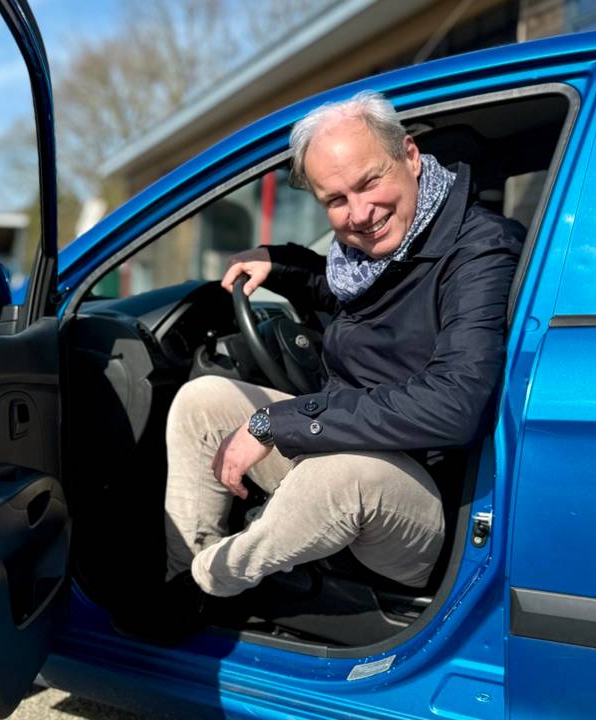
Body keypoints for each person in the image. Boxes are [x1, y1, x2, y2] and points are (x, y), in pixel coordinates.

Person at [159, 90, 524, 616]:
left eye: (370, 182)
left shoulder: (480, 250)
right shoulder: (383, 251)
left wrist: (277, 422)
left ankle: (203, 585)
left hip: (426, 499)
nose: (360, 213)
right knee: (202, 402)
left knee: (337, 478)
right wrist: (280, 263)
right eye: (335, 200)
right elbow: (353, 295)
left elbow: (454, 404)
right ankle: (186, 573)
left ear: (410, 156)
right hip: (343, 444)